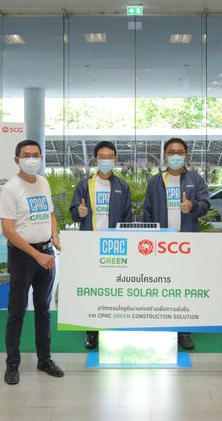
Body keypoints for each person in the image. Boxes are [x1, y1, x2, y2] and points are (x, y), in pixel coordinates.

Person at [0, 139, 64, 385]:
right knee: (16, 311)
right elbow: (7, 229)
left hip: (46, 252)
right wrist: (36, 255)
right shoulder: (11, 188)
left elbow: (50, 213)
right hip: (22, 256)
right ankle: (12, 364)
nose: (31, 159)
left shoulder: (43, 182)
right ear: (16, 159)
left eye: (36, 154)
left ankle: (44, 359)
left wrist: (54, 236)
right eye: (26, 155)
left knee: (43, 310)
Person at [143, 137, 210, 350]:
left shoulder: (195, 179)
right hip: (160, 243)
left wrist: (193, 206)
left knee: (182, 287)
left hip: (185, 243)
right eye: (171, 152)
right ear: (165, 155)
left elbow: (206, 204)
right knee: (160, 286)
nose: (175, 156)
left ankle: (183, 331)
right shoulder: (155, 181)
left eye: (179, 152)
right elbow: (147, 211)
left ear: (186, 155)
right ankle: (160, 327)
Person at [69, 141, 133, 349]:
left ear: (115, 159)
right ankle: (92, 332)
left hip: (115, 246)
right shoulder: (84, 185)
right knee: (93, 288)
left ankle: (113, 327)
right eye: (102, 157)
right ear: (95, 159)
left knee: (114, 288)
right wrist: (79, 213)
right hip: (90, 244)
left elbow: (128, 217)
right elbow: (73, 212)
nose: (106, 160)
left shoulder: (122, 186)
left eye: (110, 157)